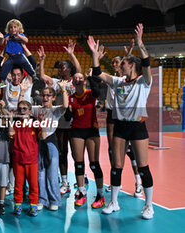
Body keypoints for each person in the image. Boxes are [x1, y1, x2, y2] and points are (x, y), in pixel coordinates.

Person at [87, 24, 154, 219]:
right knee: (116, 165)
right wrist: (94, 55)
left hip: (138, 127)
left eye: (123, 62)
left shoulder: (143, 81)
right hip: (121, 127)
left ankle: (148, 206)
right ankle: (114, 202)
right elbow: (98, 73)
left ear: (132, 65)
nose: (120, 65)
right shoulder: (118, 82)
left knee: (143, 166)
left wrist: (140, 44)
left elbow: (147, 64)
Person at [37, 43, 81, 195]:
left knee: (77, 153)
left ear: (70, 69)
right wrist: (42, 60)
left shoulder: (73, 81)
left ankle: (82, 177)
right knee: (62, 151)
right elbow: (42, 76)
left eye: (64, 66)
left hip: (74, 119)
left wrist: (72, 55)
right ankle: (64, 182)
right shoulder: (56, 83)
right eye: (59, 67)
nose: (61, 69)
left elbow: (80, 71)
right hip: (60, 119)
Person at [104, 42, 143, 197]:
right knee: (112, 149)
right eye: (113, 62)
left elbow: (132, 70)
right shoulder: (113, 79)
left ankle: (138, 182)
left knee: (131, 151)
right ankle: (117, 183)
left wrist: (130, 52)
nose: (114, 64)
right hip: (111, 114)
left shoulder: (126, 79)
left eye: (118, 62)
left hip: (126, 116)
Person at [67, 73, 105, 208]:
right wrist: (67, 106)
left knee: (94, 164)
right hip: (77, 131)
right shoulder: (70, 98)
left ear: (84, 81)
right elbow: (67, 117)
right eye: (75, 78)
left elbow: (97, 91)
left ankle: (100, 195)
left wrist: (90, 77)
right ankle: (82, 193)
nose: (78, 80)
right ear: (72, 81)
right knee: (79, 164)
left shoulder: (90, 94)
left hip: (91, 131)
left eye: (80, 78)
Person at [31, 81, 68, 211]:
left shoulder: (55, 110)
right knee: (40, 172)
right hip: (39, 142)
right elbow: (22, 107)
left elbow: (66, 105)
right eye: (44, 95)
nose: (45, 98)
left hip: (52, 143)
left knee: (52, 173)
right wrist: (22, 93)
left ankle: (55, 200)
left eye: (49, 95)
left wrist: (63, 89)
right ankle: (42, 199)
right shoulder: (37, 110)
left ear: (53, 97)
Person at [8, 100, 47, 217]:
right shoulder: (16, 124)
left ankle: (33, 205)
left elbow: (43, 136)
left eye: (25, 109)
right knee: (18, 184)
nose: (22, 111)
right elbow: (11, 134)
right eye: (20, 109)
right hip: (18, 159)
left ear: (30, 111)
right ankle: (18, 204)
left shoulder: (35, 124)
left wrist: (43, 123)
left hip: (31, 159)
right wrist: (10, 119)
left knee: (33, 184)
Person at [0, 19, 36, 88]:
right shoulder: (7, 36)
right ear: (8, 29)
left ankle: (33, 75)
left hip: (20, 55)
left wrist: (18, 35)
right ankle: (2, 81)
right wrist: (1, 38)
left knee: (27, 65)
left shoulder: (20, 35)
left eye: (15, 27)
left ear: (19, 28)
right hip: (11, 57)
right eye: (11, 27)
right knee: (5, 66)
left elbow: (26, 40)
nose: (13, 29)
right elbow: (1, 43)